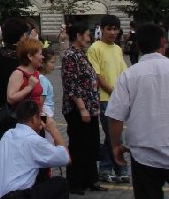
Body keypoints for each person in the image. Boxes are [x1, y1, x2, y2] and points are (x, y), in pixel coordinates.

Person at [106, 23, 169, 199]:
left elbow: (116, 116)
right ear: (163, 42)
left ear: (138, 46)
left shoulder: (129, 75)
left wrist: (115, 145)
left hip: (144, 151)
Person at [0, 100, 71, 199]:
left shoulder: (7, 135)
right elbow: (67, 158)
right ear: (35, 118)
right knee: (60, 183)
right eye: (40, 117)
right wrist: (53, 130)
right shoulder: (34, 141)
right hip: (14, 196)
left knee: (39, 177)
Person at [61, 23, 106, 195]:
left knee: (92, 144)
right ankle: (75, 182)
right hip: (78, 109)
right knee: (79, 145)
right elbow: (71, 84)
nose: (90, 37)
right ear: (79, 36)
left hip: (91, 107)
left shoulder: (82, 54)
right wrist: (81, 107)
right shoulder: (70, 55)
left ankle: (90, 179)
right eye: (87, 34)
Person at [88, 14, 129, 184]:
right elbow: (96, 76)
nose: (112, 32)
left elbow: (124, 73)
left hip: (118, 98)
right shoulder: (95, 48)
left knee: (113, 135)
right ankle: (119, 169)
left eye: (115, 29)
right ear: (102, 30)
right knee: (114, 135)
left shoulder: (118, 49)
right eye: (109, 29)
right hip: (104, 98)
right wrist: (114, 92)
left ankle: (106, 169)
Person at [0, 17, 31, 153]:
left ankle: (1, 172)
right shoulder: (24, 57)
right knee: (21, 146)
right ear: (22, 36)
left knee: (1, 143)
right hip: (20, 107)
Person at [6, 38, 44, 111]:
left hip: (34, 117)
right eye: (40, 54)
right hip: (23, 119)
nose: (42, 57)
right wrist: (29, 87)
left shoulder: (35, 72)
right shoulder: (18, 73)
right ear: (30, 56)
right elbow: (10, 99)